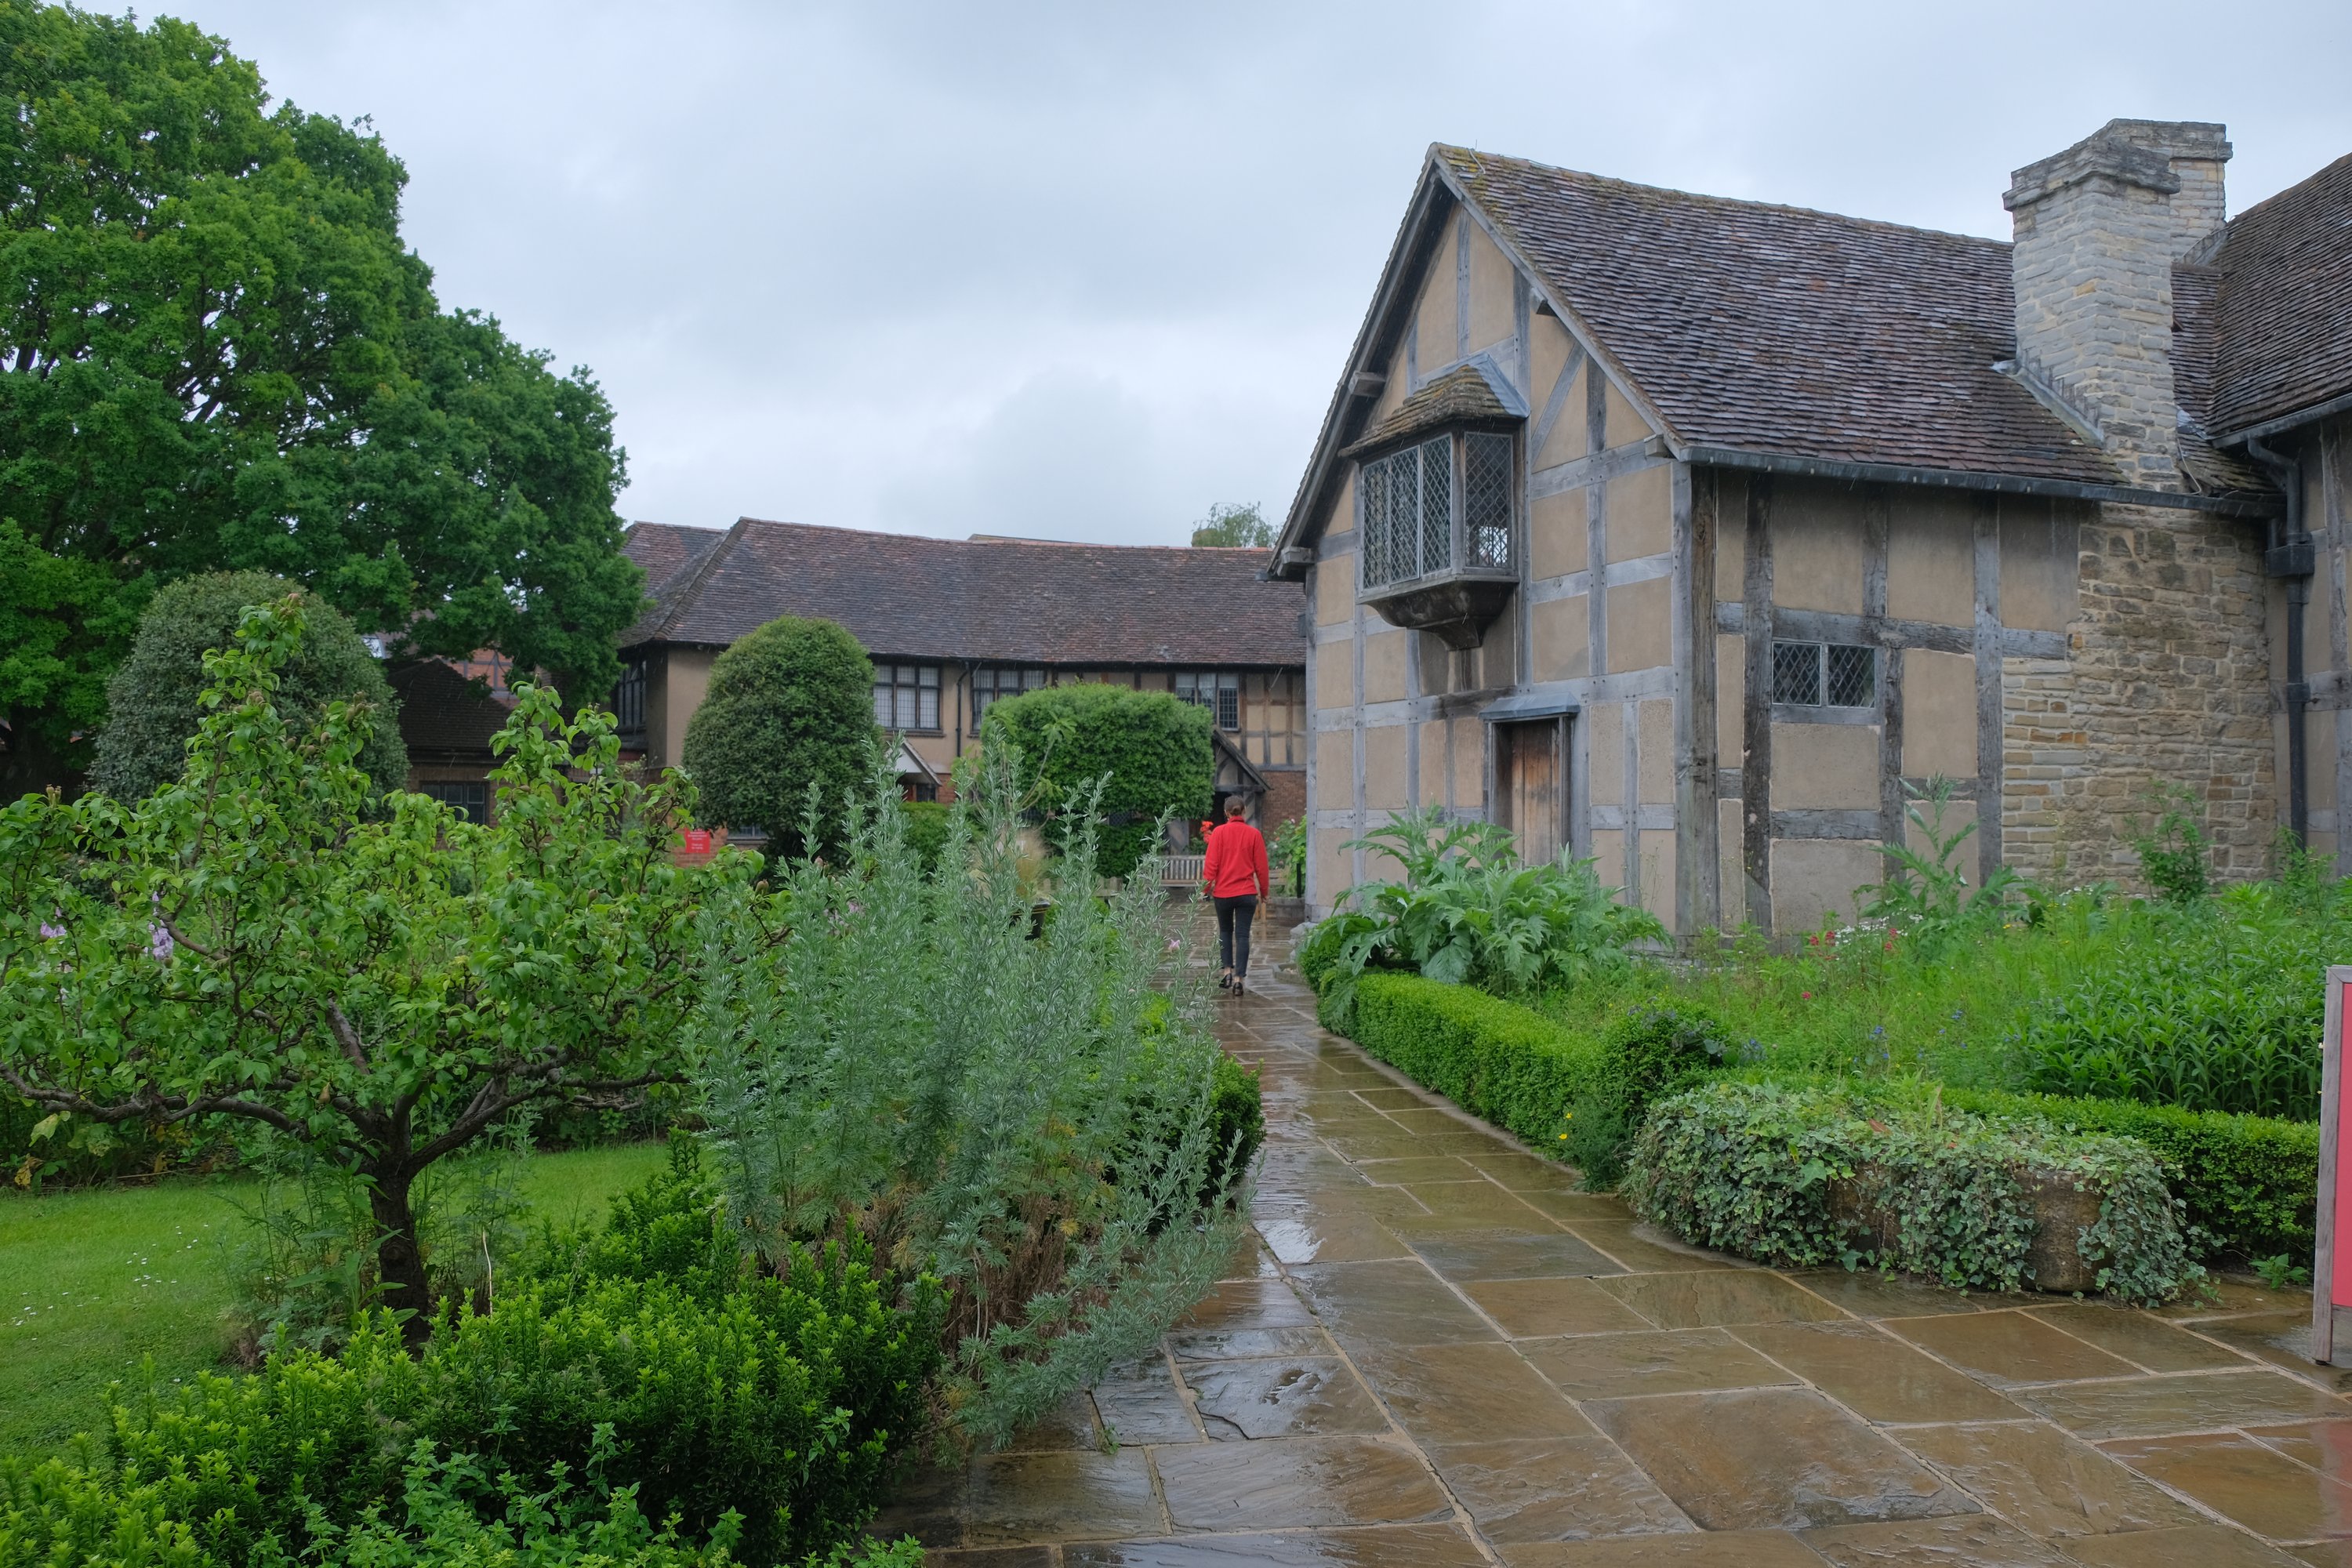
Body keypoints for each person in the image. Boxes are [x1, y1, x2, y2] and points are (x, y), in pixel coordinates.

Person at [1202, 797, 1269, 995]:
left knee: (1225, 932)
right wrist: (1264, 893)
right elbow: (1262, 868)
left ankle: (1227, 973)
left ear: (1226, 813)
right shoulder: (1254, 834)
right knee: (1242, 935)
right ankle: (1239, 980)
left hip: (1223, 894)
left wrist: (1205, 890)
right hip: (1247, 894)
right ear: (1244, 811)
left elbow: (1211, 865)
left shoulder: (1218, 833)